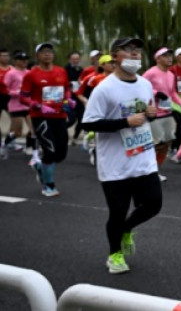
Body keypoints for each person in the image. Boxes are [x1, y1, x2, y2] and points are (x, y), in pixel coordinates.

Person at [81, 36, 161, 274]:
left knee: (154, 205)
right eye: (128, 50)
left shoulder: (145, 83)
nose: (135, 54)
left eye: (137, 50)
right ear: (115, 56)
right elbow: (88, 124)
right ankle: (114, 255)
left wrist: (151, 113)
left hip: (143, 158)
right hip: (115, 165)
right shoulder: (104, 88)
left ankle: (127, 229)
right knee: (117, 212)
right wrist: (124, 121)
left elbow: (147, 112)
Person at [20, 42, 72, 197]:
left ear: (53, 55)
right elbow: (23, 97)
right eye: (43, 52)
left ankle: (40, 167)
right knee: (50, 151)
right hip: (41, 117)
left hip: (59, 116)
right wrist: (36, 105)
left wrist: (68, 100)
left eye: (50, 51)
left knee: (61, 153)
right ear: (37, 56)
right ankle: (48, 185)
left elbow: (66, 89)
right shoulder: (31, 74)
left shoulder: (61, 71)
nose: (47, 54)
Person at [142, 47, 181, 181]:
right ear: (158, 59)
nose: (169, 58)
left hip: (167, 113)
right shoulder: (151, 73)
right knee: (157, 143)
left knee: (167, 143)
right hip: (154, 114)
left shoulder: (171, 75)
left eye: (170, 56)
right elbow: (140, 87)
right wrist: (155, 93)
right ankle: (147, 170)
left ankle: (155, 170)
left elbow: (172, 93)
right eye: (165, 56)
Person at [1, 51, 31, 158]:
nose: (24, 62)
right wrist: (18, 92)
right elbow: (5, 90)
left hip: (28, 104)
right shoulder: (11, 73)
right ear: (15, 61)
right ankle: (4, 144)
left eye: (26, 59)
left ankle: (29, 147)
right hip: (15, 105)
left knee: (34, 129)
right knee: (18, 132)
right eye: (21, 60)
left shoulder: (29, 72)